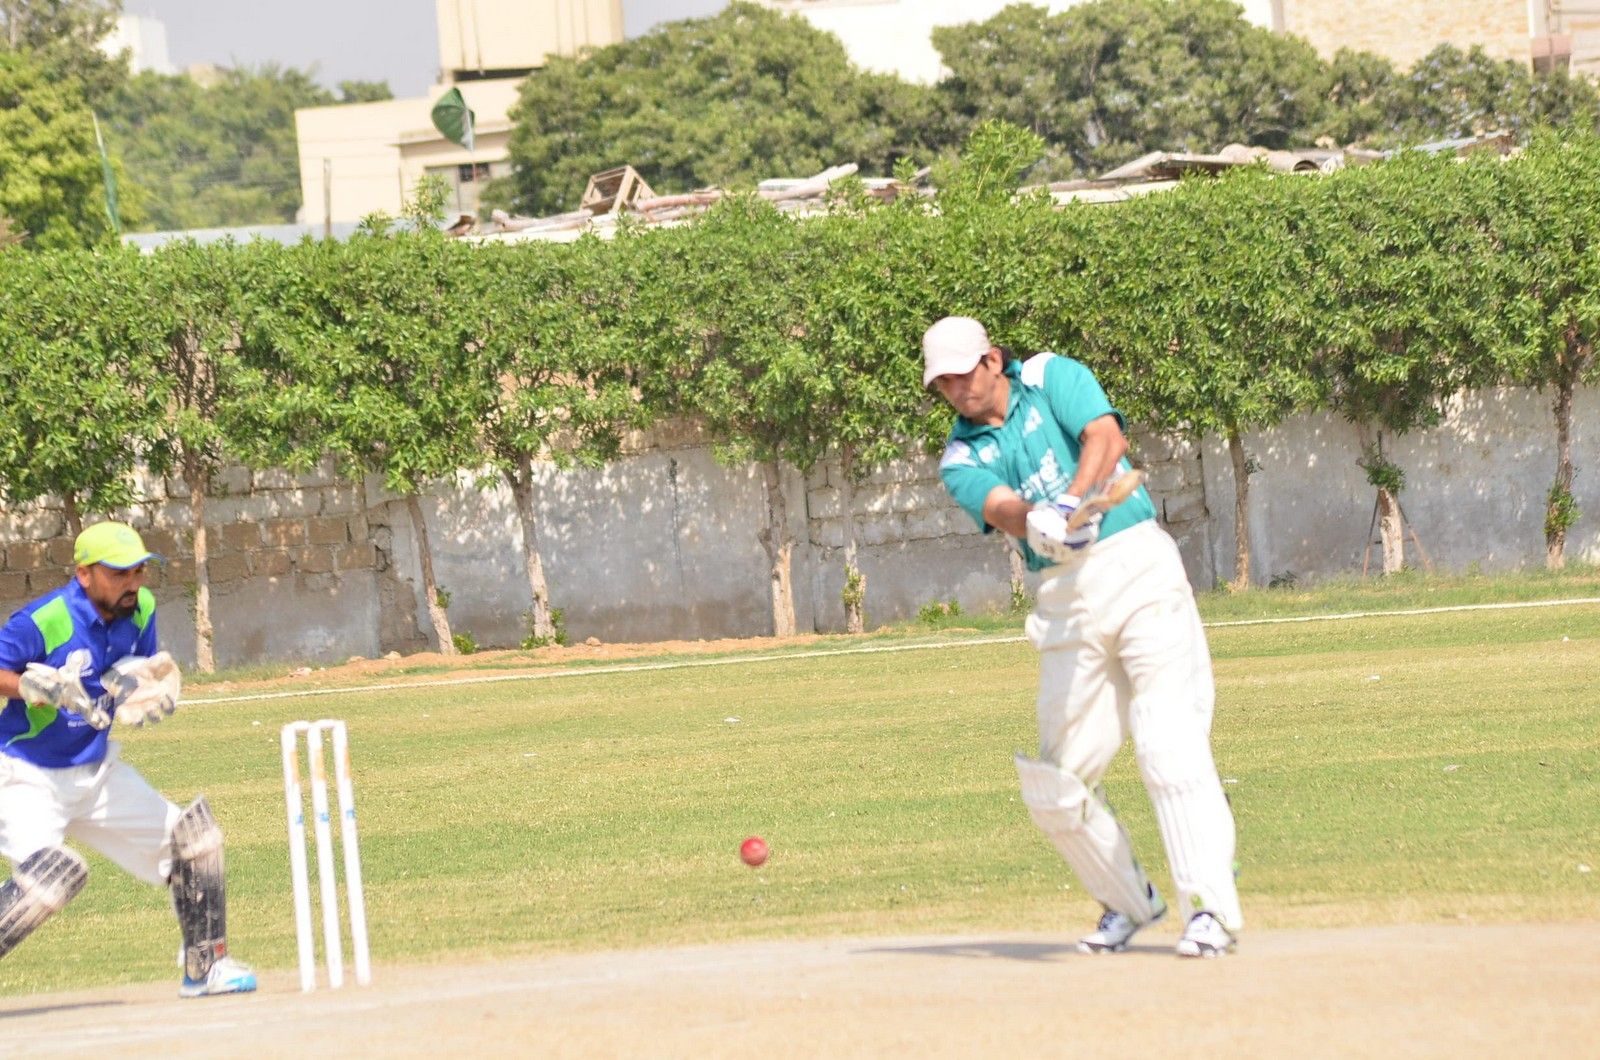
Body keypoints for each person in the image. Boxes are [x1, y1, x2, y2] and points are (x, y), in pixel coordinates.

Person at [923, 316, 1242, 958]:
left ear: (992, 359)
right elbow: (999, 506)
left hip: (1137, 565)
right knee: (1056, 783)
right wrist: (1038, 522)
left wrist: (1071, 500)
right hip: (1063, 598)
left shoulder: (1051, 376)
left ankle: (1209, 910)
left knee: (1168, 742)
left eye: (962, 374)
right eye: (943, 384)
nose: (956, 390)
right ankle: (1127, 901)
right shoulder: (960, 455)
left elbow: (1105, 435)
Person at [0, 521, 256, 995]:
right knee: (48, 882)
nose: (133, 582)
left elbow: (135, 670)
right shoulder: (44, 620)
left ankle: (206, 967)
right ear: (84, 574)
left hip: (96, 772)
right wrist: (30, 687)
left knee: (195, 842)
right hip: (25, 776)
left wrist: (140, 688)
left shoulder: (142, 609)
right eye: (119, 573)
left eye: (138, 570)